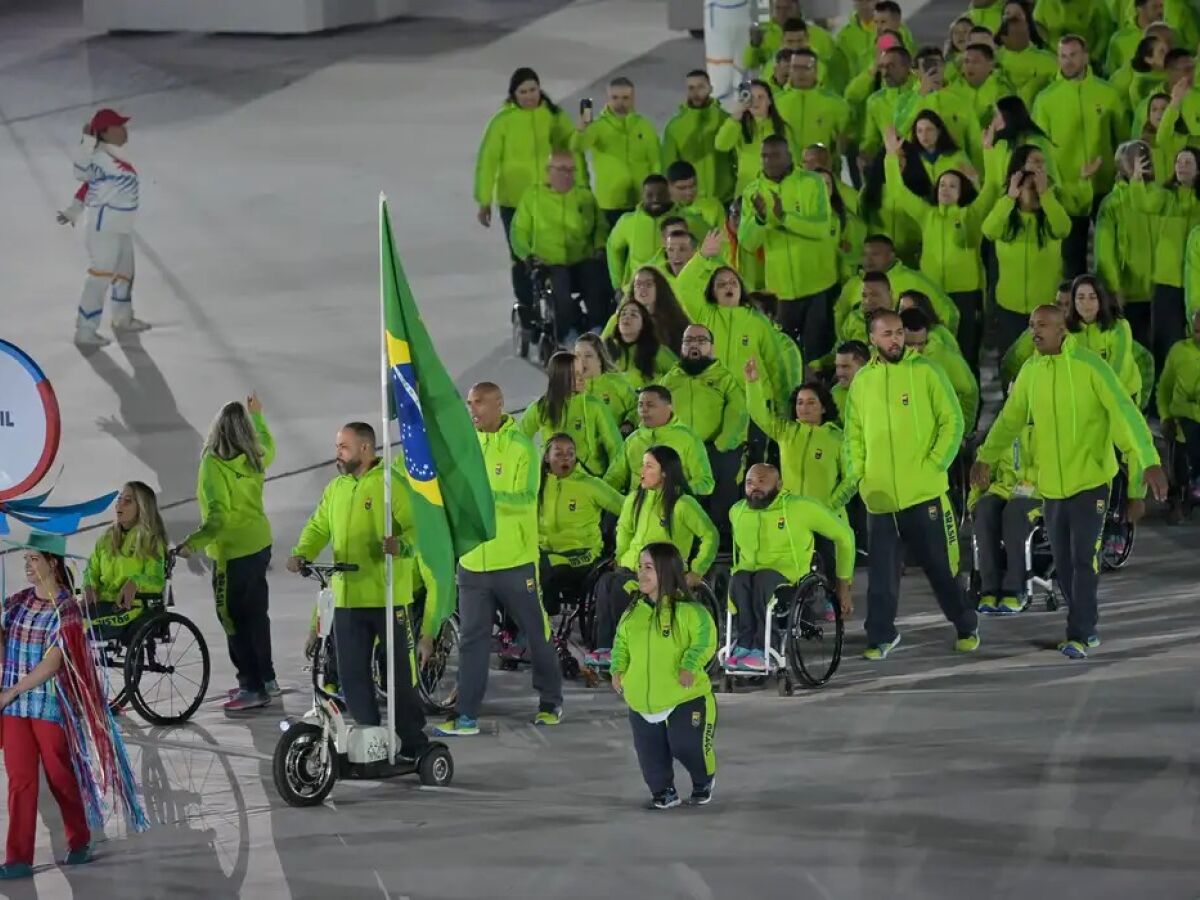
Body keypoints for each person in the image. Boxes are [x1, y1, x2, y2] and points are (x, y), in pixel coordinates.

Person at [972, 306, 1168, 659]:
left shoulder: (1091, 367)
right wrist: (986, 457)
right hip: (1051, 486)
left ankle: (1081, 632)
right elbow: (1009, 421)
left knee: (1083, 559)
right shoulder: (1031, 371)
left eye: (1043, 325)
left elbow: (1125, 414)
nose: (1035, 331)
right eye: (1032, 325)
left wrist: (1148, 461)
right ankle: (1082, 625)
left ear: (1063, 329)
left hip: (1090, 481)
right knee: (1062, 564)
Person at [832, 310, 979, 660]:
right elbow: (853, 436)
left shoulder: (927, 371)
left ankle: (966, 624)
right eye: (887, 334)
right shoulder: (862, 382)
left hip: (923, 494)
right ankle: (881, 635)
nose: (895, 339)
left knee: (941, 571)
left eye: (899, 333)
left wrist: (933, 466)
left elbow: (953, 421)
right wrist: (860, 477)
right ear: (872, 339)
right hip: (880, 499)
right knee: (881, 577)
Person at [1, 533, 147, 880]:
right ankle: (17, 857)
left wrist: (11, 691)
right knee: (20, 781)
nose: (27, 566)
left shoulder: (67, 609)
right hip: (14, 709)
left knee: (59, 774)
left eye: (34, 560)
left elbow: (53, 663)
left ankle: (78, 838)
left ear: (52, 562)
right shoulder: (18, 602)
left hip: (47, 705)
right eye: (26, 561)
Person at [288, 422, 431, 761]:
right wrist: (302, 552)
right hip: (348, 599)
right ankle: (372, 737)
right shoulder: (336, 488)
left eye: (344, 446)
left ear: (366, 448)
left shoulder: (390, 486)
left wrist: (402, 544)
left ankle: (412, 740)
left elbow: (418, 528)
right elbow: (318, 526)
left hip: (387, 598)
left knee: (399, 675)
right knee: (352, 677)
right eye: (338, 445)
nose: (338, 452)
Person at [436, 384, 564, 735]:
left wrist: (486, 496)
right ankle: (466, 715)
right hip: (474, 563)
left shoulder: (521, 446)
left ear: (499, 403)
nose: (472, 409)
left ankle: (550, 701)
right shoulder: (467, 446)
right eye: (469, 403)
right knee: (473, 641)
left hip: (514, 561)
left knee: (536, 633)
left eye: (479, 402)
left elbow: (525, 498)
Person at [176, 393, 277, 711]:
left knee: (232, 618)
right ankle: (268, 678)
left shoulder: (213, 464)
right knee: (257, 616)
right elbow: (268, 443)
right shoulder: (256, 455)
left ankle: (251, 686)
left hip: (231, 553)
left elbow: (218, 516)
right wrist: (257, 417)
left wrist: (193, 543)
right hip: (259, 544)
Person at [610, 542, 717, 810]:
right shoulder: (632, 612)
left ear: (667, 572)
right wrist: (617, 670)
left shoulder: (691, 612)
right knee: (650, 756)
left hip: (685, 696)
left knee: (686, 746)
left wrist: (689, 666)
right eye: (639, 567)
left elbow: (705, 641)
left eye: (649, 568)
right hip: (641, 701)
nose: (641, 574)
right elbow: (621, 645)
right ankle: (663, 791)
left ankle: (703, 779)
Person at [882, 124, 997, 369]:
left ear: (962, 192)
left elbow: (992, 188)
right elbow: (897, 191)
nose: (946, 189)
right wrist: (891, 156)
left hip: (965, 294)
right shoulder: (927, 215)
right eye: (943, 184)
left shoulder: (971, 215)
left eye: (953, 185)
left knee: (966, 357)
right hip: (933, 295)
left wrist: (988, 151)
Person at [591, 447, 718, 665]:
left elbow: (710, 535)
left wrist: (697, 569)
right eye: (643, 465)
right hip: (632, 565)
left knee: (622, 587)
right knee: (605, 582)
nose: (642, 471)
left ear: (665, 473)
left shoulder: (682, 504)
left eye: (649, 466)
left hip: (664, 570)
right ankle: (606, 647)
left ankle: (627, 648)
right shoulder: (634, 499)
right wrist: (621, 556)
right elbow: (624, 530)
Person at [727, 464, 854, 670]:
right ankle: (745, 644)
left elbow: (845, 536)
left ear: (779, 484)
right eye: (749, 483)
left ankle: (766, 647)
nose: (754, 488)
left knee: (763, 578)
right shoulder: (737, 511)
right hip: (752, 579)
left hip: (792, 581)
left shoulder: (801, 508)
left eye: (762, 481)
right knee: (739, 578)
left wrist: (843, 585)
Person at [474, 68, 576, 317]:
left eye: (533, 90)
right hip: (514, 201)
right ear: (514, 94)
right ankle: (527, 307)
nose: (529, 96)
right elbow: (488, 161)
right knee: (521, 256)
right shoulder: (502, 122)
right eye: (523, 92)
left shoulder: (553, 115)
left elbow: (571, 146)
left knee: (551, 251)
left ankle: (556, 304)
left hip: (547, 197)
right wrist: (484, 200)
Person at [738, 135, 838, 360]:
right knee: (785, 355)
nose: (768, 160)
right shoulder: (752, 192)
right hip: (780, 291)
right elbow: (748, 242)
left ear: (789, 156)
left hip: (817, 285)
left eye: (775, 155)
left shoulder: (812, 183)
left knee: (817, 356)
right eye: (764, 155)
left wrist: (783, 217)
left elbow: (821, 228)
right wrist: (761, 220)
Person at [57, 107, 147, 347]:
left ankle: (122, 318)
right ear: (105, 133)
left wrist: (73, 209)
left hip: (122, 226)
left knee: (125, 274)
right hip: (103, 227)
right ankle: (85, 331)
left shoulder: (116, 155)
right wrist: (87, 142)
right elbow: (81, 174)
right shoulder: (97, 157)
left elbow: (88, 189)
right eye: (119, 126)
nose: (124, 130)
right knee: (101, 276)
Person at [661, 324, 749, 545]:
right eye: (688, 340)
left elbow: (738, 409)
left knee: (723, 477)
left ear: (712, 348)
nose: (694, 345)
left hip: (716, 447)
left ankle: (723, 539)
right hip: (680, 449)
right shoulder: (670, 380)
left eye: (701, 340)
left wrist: (721, 443)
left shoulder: (724, 378)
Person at [509, 150, 610, 339]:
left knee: (597, 278)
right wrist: (527, 255)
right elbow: (518, 232)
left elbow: (600, 227)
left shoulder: (585, 197)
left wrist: (600, 246)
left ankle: (598, 328)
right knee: (559, 283)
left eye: (571, 170)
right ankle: (566, 332)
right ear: (549, 171)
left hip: (581, 258)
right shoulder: (533, 197)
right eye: (562, 169)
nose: (567, 175)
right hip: (548, 262)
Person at [982, 161, 1072, 363]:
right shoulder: (1006, 220)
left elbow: (1064, 228)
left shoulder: (1051, 219)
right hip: (1009, 308)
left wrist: (1046, 195)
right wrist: (1008, 198)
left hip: (1045, 308)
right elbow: (988, 230)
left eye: (1039, 188)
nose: (1036, 193)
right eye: (1031, 188)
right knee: (1010, 364)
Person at [537, 434, 625, 617]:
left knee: (543, 565)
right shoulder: (537, 485)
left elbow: (627, 508)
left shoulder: (590, 485)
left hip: (583, 553)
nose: (565, 458)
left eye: (570, 453)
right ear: (546, 457)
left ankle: (543, 619)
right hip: (544, 550)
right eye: (559, 453)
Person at [1132, 146, 1200, 373]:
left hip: (1196, 284)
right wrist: (1137, 180)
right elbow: (1143, 203)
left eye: (1187, 162)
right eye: (1178, 162)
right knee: (1166, 343)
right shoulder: (1166, 196)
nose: (1181, 166)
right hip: (1168, 282)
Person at [970, 418, 1040, 616]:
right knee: (984, 509)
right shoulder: (1004, 427)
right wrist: (974, 501)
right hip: (1004, 490)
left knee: (1014, 512)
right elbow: (983, 465)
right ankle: (988, 589)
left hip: (1038, 493)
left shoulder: (1051, 421)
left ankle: (1015, 589)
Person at [519, 351, 623, 482]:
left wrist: (611, 483)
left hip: (591, 480)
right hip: (553, 481)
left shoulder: (594, 406)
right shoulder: (540, 408)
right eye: (575, 374)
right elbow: (518, 441)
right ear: (560, 377)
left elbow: (615, 447)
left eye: (582, 372)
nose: (582, 378)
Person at [81, 481, 168, 638]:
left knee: (84, 628)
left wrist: (136, 582)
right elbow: (91, 569)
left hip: (133, 607)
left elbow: (156, 580)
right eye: (119, 499)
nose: (119, 505)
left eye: (127, 501)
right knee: (63, 621)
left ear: (142, 508)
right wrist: (89, 586)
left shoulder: (151, 541)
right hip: (103, 604)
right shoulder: (106, 539)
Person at [572, 77, 662, 227]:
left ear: (633, 99)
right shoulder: (597, 127)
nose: (620, 103)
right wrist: (582, 128)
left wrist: (655, 194)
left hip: (641, 201)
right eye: (615, 98)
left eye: (625, 98)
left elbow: (656, 161)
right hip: (609, 203)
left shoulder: (644, 126)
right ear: (607, 98)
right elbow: (576, 147)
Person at [607, 385, 715, 496]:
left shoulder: (688, 438)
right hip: (636, 508)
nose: (643, 410)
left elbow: (705, 482)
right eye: (640, 405)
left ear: (669, 407)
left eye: (650, 405)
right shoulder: (632, 440)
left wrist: (676, 492)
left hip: (674, 506)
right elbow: (615, 477)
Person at [606, 176, 700, 290]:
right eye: (649, 195)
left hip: (676, 288)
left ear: (669, 194)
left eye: (661, 194)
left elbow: (712, 242)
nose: (656, 199)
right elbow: (613, 248)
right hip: (638, 289)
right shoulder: (627, 221)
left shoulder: (686, 219)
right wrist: (617, 285)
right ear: (642, 196)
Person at [661, 70, 735, 205]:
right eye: (691, 88)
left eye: (701, 87)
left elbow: (737, 157)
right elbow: (669, 167)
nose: (696, 92)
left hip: (724, 199)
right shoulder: (674, 126)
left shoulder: (725, 120)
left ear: (710, 88)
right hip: (690, 202)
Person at [902, 308, 981, 432]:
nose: (916, 350)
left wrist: (963, 431)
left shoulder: (944, 358)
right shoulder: (886, 360)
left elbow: (970, 391)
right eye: (910, 344)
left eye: (921, 344)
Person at [1065, 274, 1141, 399]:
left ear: (1101, 299)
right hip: (1082, 396)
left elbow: (1119, 368)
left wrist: (1098, 395)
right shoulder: (1065, 329)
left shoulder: (1119, 327)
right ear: (1073, 301)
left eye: (1092, 297)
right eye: (1080, 297)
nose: (1086, 303)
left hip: (1121, 393)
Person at [716, 80, 791, 196]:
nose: (756, 102)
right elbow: (721, 145)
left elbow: (794, 160)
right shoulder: (739, 126)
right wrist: (735, 118)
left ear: (769, 101)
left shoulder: (781, 128)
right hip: (746, 191)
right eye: (751, 97)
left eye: (761, 97)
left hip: (777, 192)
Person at [1157, 309, 1200, 511]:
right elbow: (1164, 388)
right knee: (1180, 435)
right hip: (1181, 422)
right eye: (1198, 331)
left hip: (1190, 418)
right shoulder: (1179, 350)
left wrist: (1184, 407)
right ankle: (1181, 493)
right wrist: (1166, 416)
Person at [776, 50, 851, 155]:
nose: (800, 73)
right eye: (796, 68)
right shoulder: (775, 102)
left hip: (821, 167)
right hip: (784, 167)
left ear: (815, 70)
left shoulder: (836, 104)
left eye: (806, 68)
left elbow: (844, 142)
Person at [601, 265, 692, 352]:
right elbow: (600, 351)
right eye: (638, 285)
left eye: (648, 285)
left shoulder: (675, 321)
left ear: (659, 289)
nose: (642, 289)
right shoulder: (617, 320)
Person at [604, 298, 678, 389]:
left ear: (643, 323)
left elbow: (679, 374)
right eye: (623, 314)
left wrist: (655, 385)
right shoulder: (606, 348)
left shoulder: (655, 349)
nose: (626, 317)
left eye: (633, 315)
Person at [574, 333, 638, 434]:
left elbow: (637, 405)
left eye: (588, 356)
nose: (582, 361)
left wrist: (629, 422)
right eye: (577, 356)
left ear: (600, 359)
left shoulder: (616, 383)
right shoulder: (571, 387)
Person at [665, 161, 727, 233]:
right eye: (682, 188)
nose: (689, 192)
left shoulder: (712, 205)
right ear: (669, 186)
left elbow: (725, 238)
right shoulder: (661, 210)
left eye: (692, 186)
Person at [831, 339, 869, 421]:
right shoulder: (834, 394)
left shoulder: (882, 391)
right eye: (837, 366)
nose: (839, 373)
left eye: (845, 367)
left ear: (864, 366)